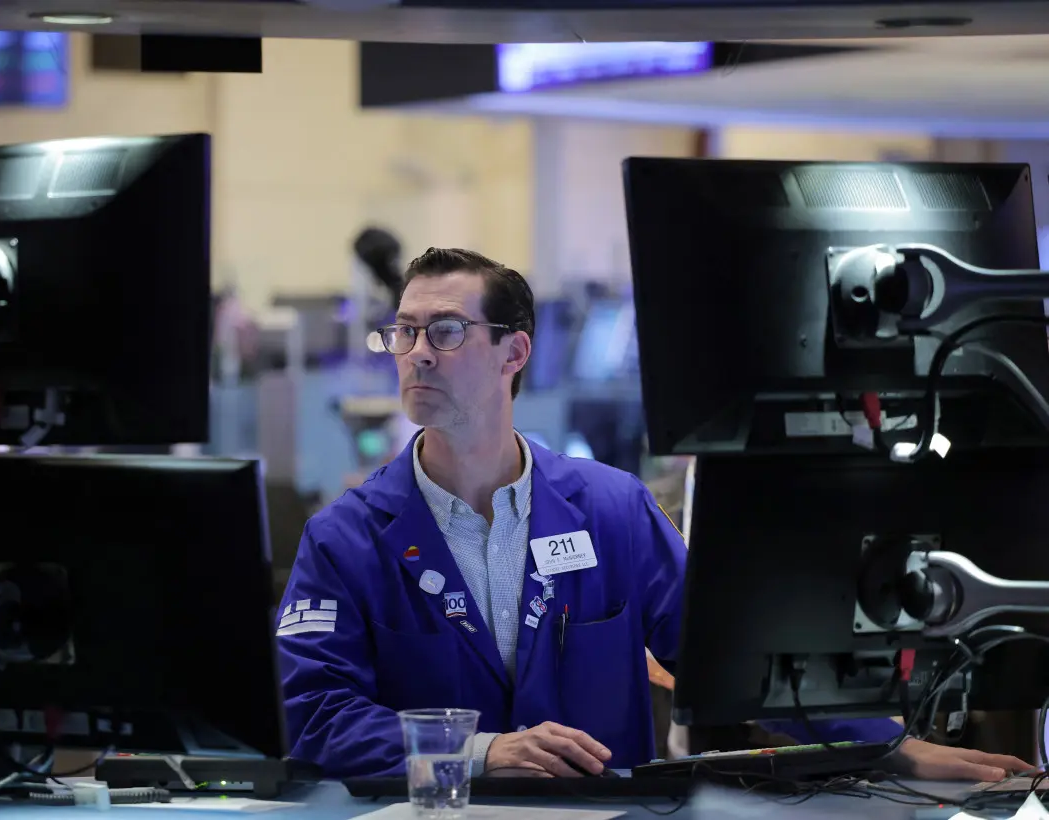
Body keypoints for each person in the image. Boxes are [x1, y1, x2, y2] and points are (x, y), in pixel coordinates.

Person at [275, 248, 1030, 782]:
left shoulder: (613, 511)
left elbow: (730, 662)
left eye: (444, 330)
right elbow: (313, 715)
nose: (417, 354)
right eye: (403, 332)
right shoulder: (346, 537)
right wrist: (478, 751)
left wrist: (891, 747)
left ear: (514, 353)